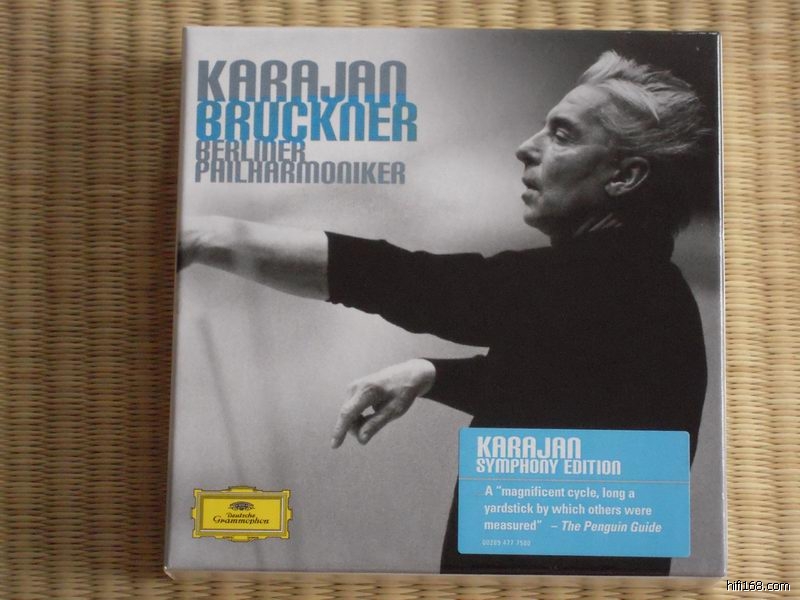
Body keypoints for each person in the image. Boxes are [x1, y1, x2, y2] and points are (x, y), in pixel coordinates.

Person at [179, 51, 710, 575]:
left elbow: (414, 282)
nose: (526, 148)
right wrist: (434, 373)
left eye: (563, 135)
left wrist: (210, 236)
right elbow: (565, 391)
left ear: (625, 176)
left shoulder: (610, 281)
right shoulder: (644, 294)